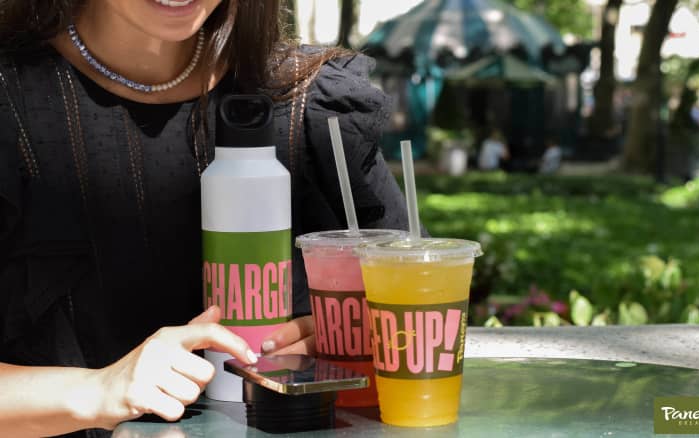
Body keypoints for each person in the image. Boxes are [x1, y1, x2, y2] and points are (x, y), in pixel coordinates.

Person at [0, 1, 409, 436]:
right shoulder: (13, 103)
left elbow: (414, 316)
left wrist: (347, 335)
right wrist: (98, 390)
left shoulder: (316, 103)